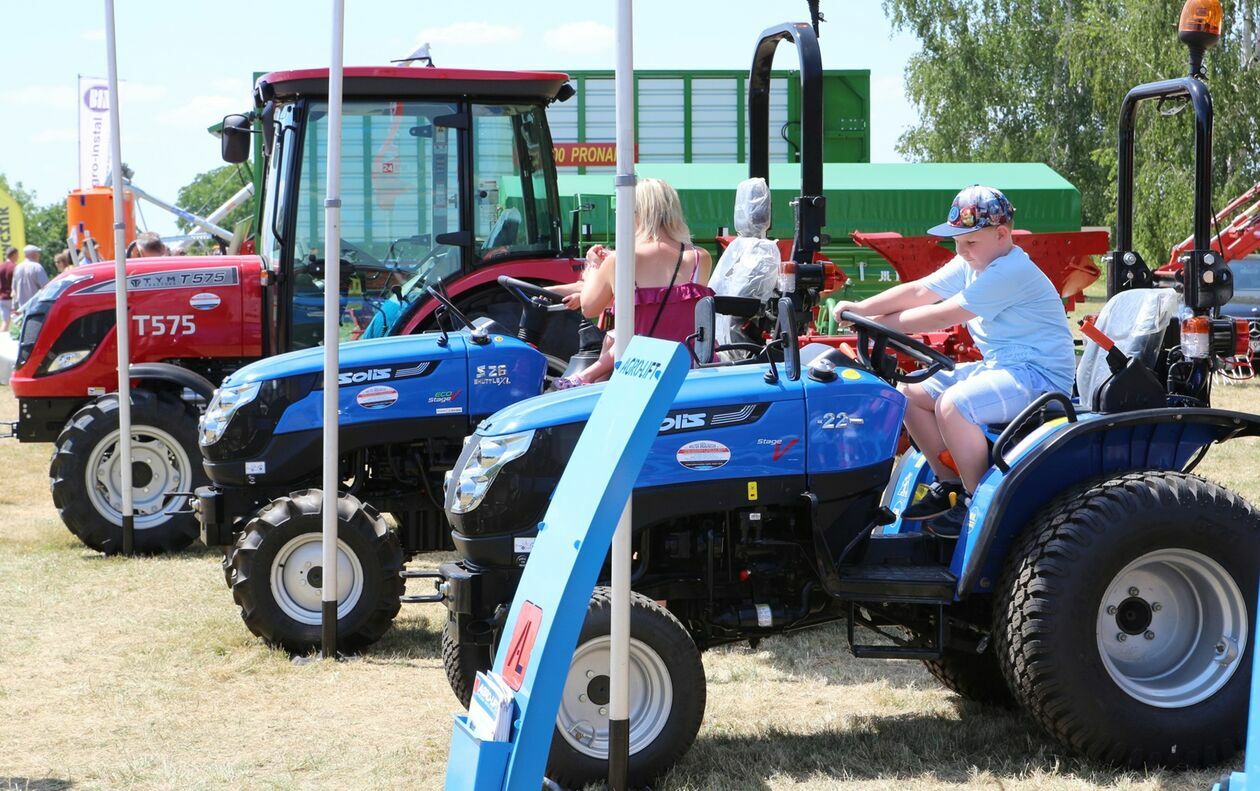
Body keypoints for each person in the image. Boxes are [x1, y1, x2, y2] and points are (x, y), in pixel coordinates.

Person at [830, 185, 1075, 537]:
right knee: (909, 393)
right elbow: (919, 291)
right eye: (957, 242)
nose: (961, 250)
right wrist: (861, 310)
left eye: (970, 242)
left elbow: (942, 315)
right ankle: (951, 484)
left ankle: (976, 504)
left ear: (1002, 234)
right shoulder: (973, 261)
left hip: (1038, 374)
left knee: (953, 405)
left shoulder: (1010, 272)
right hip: (1001, 365)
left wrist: (875, 325)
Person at [555, 177, 713, 388]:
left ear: (635, 212)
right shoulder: (699, 258)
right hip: (690, 366)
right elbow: (673, 311)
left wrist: (593, 266)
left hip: (640, 371)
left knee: (612, 339)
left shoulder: (620, 261)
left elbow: (589, 307)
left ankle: (586, 377)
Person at [707, 177, 780, 359]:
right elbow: (749, 302)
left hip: (718, 340)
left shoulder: (737, 246)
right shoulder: (764, 249)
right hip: (741, 347)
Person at [12, 244, 49, 316]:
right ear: (34, 254)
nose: (39, 255)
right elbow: (46, 287)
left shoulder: (18, 267)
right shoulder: (37, 267)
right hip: (37, 307)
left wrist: (14, 306)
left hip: (22, 308)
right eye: (38, 253)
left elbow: (14, 289)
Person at [0, 246, 17, 332]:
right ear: (13, 254)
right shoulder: (14, 267)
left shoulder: (1, 266)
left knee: (5, 321)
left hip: (2, 298)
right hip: (12, 297)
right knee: (17, 321)